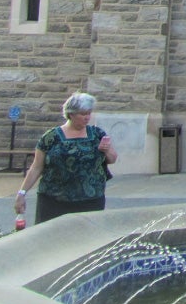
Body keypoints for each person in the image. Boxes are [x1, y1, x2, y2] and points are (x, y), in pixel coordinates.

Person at [14, 92, 118, 224]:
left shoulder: (97, 134)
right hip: (54, 200)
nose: (87, 117)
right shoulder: (51, 137)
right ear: (71, 114)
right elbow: (36, 167)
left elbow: (112, 159)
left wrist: (107, 149)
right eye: (82, 114)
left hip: (90, 200)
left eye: (89, 113)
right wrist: (22, 193)